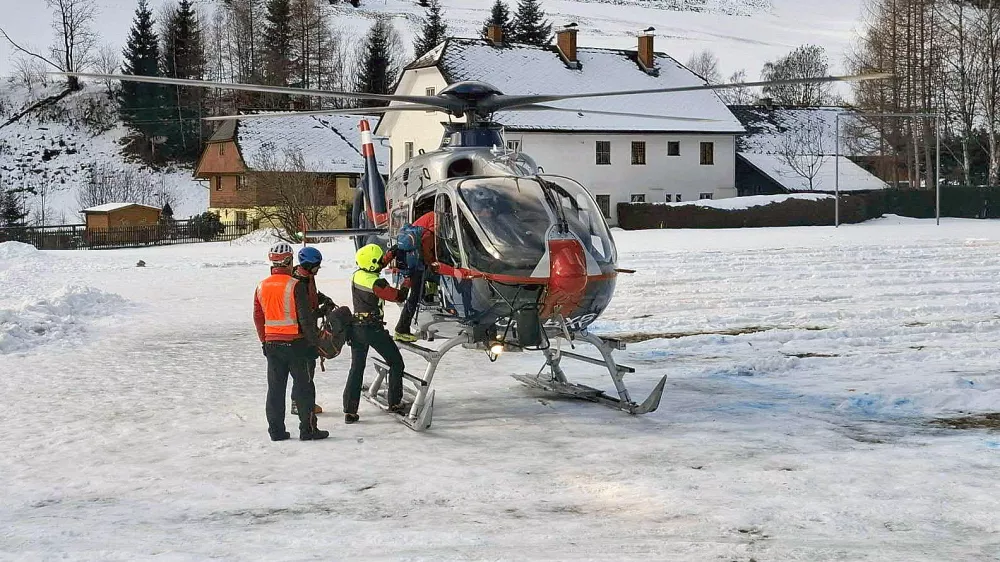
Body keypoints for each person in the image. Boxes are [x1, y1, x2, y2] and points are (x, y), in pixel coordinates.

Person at [253, 242, 329, 441]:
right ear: (288, 261)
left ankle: (276, 431)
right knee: (304, 388)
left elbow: (258, 316)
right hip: (297, 345)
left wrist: (264, 341)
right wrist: (314, 343)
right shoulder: (295, 285)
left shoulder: (261, 286)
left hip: (272, 345)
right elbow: (305, 318)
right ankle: (308, 429)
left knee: (275, 390)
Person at [344, 243, 409, 424]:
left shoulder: (358, 275)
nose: (382, 262)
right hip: (372, 329)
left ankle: (350, 410)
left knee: (356, 368)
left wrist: (390, 255)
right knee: (396, 362)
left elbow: (375, 265)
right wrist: (407, 283)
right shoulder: (377, 282)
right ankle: (395, 402)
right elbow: (398, 296)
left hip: (356, 327)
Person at [289, 246, 334, 416]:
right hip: (301, 332)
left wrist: (324, 299)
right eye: (317, 265)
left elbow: (313, 294)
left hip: (308, 328)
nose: (318, 268)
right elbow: (303, 312)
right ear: (308, 265)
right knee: (304, 369)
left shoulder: (307, 277)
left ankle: (303, 402)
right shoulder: (298, 281)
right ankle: (299, 403)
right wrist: (320, 312)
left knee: (309, 367)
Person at [392, 211, 436, 342]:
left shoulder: (418, 227)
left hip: (406, 263)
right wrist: (432, 264)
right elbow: (427, 252)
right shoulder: (430, 232)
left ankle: (403, 327)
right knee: (413, 298)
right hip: (416, 267)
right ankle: (401, 330)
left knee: (412, 296)